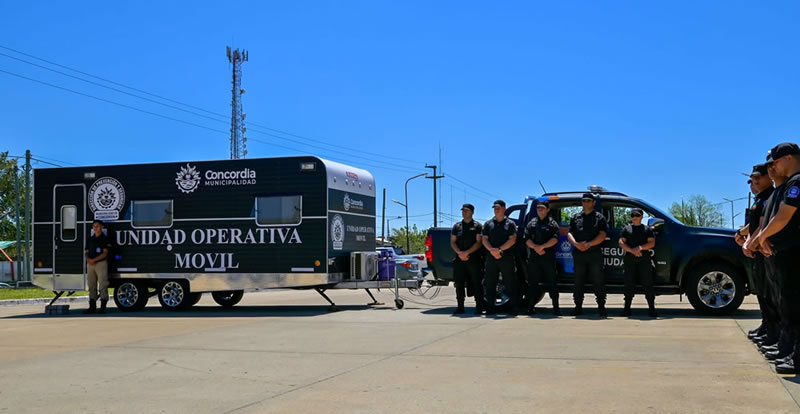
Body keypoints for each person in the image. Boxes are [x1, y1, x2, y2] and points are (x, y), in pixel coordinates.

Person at [747, 142, 800, 374]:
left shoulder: (796, 184)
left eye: (775, 162)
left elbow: (783, 217)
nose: (773, 167)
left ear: (789, 158)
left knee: (794, 305)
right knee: (784, 302)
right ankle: (789, 349)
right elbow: (768, 220)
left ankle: (796, 356)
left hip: (792, 252)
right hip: (780, 252)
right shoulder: (786, 186)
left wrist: (760, 239)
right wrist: (762, 238)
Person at [737, 163, 776, 341]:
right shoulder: (760, 199)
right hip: (757, 251)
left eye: (759, 177)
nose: (755, 181)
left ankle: (774, 331)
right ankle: (766, 326)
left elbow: (763, 225)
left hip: (765, 250)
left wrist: (750, 244)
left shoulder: (770, 197)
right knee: (761, 291)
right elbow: (752, 225)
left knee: (770, 293)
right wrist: (740, 234)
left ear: (769, 176)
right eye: (752, 178)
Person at [567, 193, 608, 317]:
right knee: (578, 282)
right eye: (584, 200)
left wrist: (589, 244)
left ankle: (601, 308)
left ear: (593, 202)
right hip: (579, 254)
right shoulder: (575, 217)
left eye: (588, 200)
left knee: (598, 281)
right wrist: (576, 244)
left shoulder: (599, 218)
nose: (586, 202)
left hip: (594, 254)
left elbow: (602, 235)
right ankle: (578, 307)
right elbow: (570, 233)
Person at [482, 200, 518, 316]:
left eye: (498, 208)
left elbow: (512, 240)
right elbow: (484, 239)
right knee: (490, 283)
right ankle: (490, 308)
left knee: (510, 282)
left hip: (506, 257)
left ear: (504, 208)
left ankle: (513, 308)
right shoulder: (488, 224)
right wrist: (492, 250)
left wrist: (500, 250)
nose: (496, 210)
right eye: (494, 208)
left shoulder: (510, 224)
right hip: (491, 257)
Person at [524, 200, 561, 315]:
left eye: (542, 208)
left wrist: (543, 247)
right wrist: (535, 247)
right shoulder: (531, 223)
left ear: (547, 210)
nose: (540, 210)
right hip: (534, 258)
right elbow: (526, 238)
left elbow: (555, 239)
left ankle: (556, 308)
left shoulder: (552, 224)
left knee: (552, 283)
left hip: (548, 257)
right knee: (532, 284)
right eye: (538, 208)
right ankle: (530, 308)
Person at [618, 208, 657, 317]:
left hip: (644, 260)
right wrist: (632, 250)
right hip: (630, 260)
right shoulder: (626, 229)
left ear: (641, 216)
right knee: (628, 285)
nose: (634, 217)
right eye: (633, 215)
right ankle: (626, 309)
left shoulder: (647, 229)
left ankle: (652, 309)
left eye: (637, 215)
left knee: (648, 284)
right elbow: (621, 242)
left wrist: (639, 248)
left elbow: (652, 243)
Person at [450, 203, 485, 315]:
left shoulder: (477, 226)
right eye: (463, 210)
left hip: (473, 258)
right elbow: (452, 241)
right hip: (460, 258)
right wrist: (460, 253)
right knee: (459, 284)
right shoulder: (457, 226)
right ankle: (460, 307)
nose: (464, 212)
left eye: (466, 210)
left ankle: (479, 307)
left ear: (472, 212)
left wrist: (467, 252)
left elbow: (478, 242)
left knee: (476, 283)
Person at [85, 220, 111, 314]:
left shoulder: (104, 239)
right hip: (90, 264)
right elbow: (86, 252)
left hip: (101, 264)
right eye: (94, 226)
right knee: (91, 285)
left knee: (103, 284)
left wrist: (94, 260)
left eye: (97, 226)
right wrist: (88, 259)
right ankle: (92, 307)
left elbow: (105, 253)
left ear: (102, 227)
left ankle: (103, 307)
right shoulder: (90, 239)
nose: (95, 228)